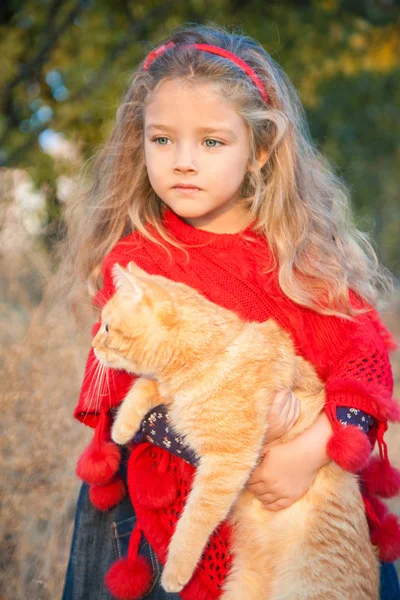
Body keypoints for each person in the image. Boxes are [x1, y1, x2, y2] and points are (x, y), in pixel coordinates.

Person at [60, 24, 400, 600]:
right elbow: (128, 396)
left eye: (212, 142)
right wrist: (241, 440)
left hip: (301, 518)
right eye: (162, 140)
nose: (183, 162)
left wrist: (309, 447)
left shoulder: (301, 260)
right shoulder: (141, 259)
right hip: (173, 503)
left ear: (260, 149)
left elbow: (365, 369)